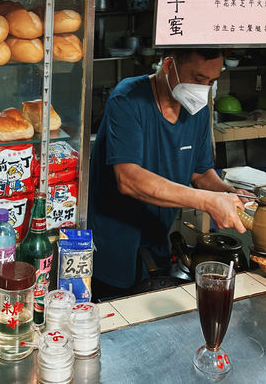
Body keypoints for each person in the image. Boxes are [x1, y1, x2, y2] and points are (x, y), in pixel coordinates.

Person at [88, 47, 248, 300]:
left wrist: (228, 194)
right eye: (198, 79)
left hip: (158, 238)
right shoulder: (127, 99)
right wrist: (208, 201)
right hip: (114, 242)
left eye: (212, 81)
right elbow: (128, 179)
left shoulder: (196, 109)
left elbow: (201, 173)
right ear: (169, 65)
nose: (204, 89)